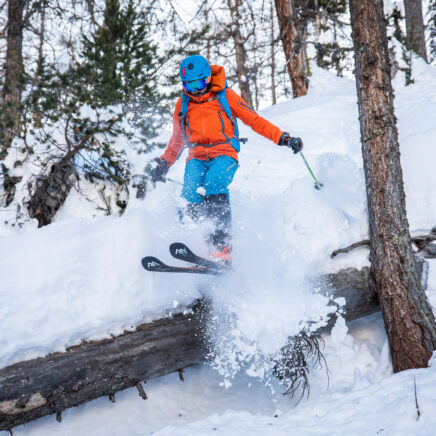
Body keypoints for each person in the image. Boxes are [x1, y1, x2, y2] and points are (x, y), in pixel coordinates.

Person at [150, 55, 303, 264]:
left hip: (224, 152)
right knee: (189, 193)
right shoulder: (183, 104)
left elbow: (254, 120)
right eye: (189, 84)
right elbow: (178, 139)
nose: (195, 89)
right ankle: (197, 243)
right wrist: (164, 164)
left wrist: (282, 137)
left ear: (208, 79)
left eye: (199, 83)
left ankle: (222, 245)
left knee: (214, 183)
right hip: (196, 155)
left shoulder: (226, 96)